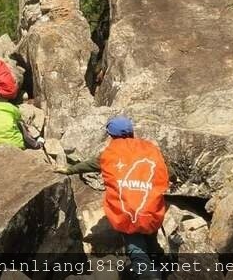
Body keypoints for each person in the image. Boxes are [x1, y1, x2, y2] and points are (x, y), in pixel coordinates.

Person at [57, 117, 168, 280]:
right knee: (150, 238)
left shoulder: (110, 153)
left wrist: (68, 170)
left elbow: (89, 165)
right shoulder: (149, 149)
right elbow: (165, 170)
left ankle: (147, 274)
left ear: (111, 135)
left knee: (135, 246)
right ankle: (158, 265)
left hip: (127, 210)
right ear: (131, 132)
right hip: (149, 207)